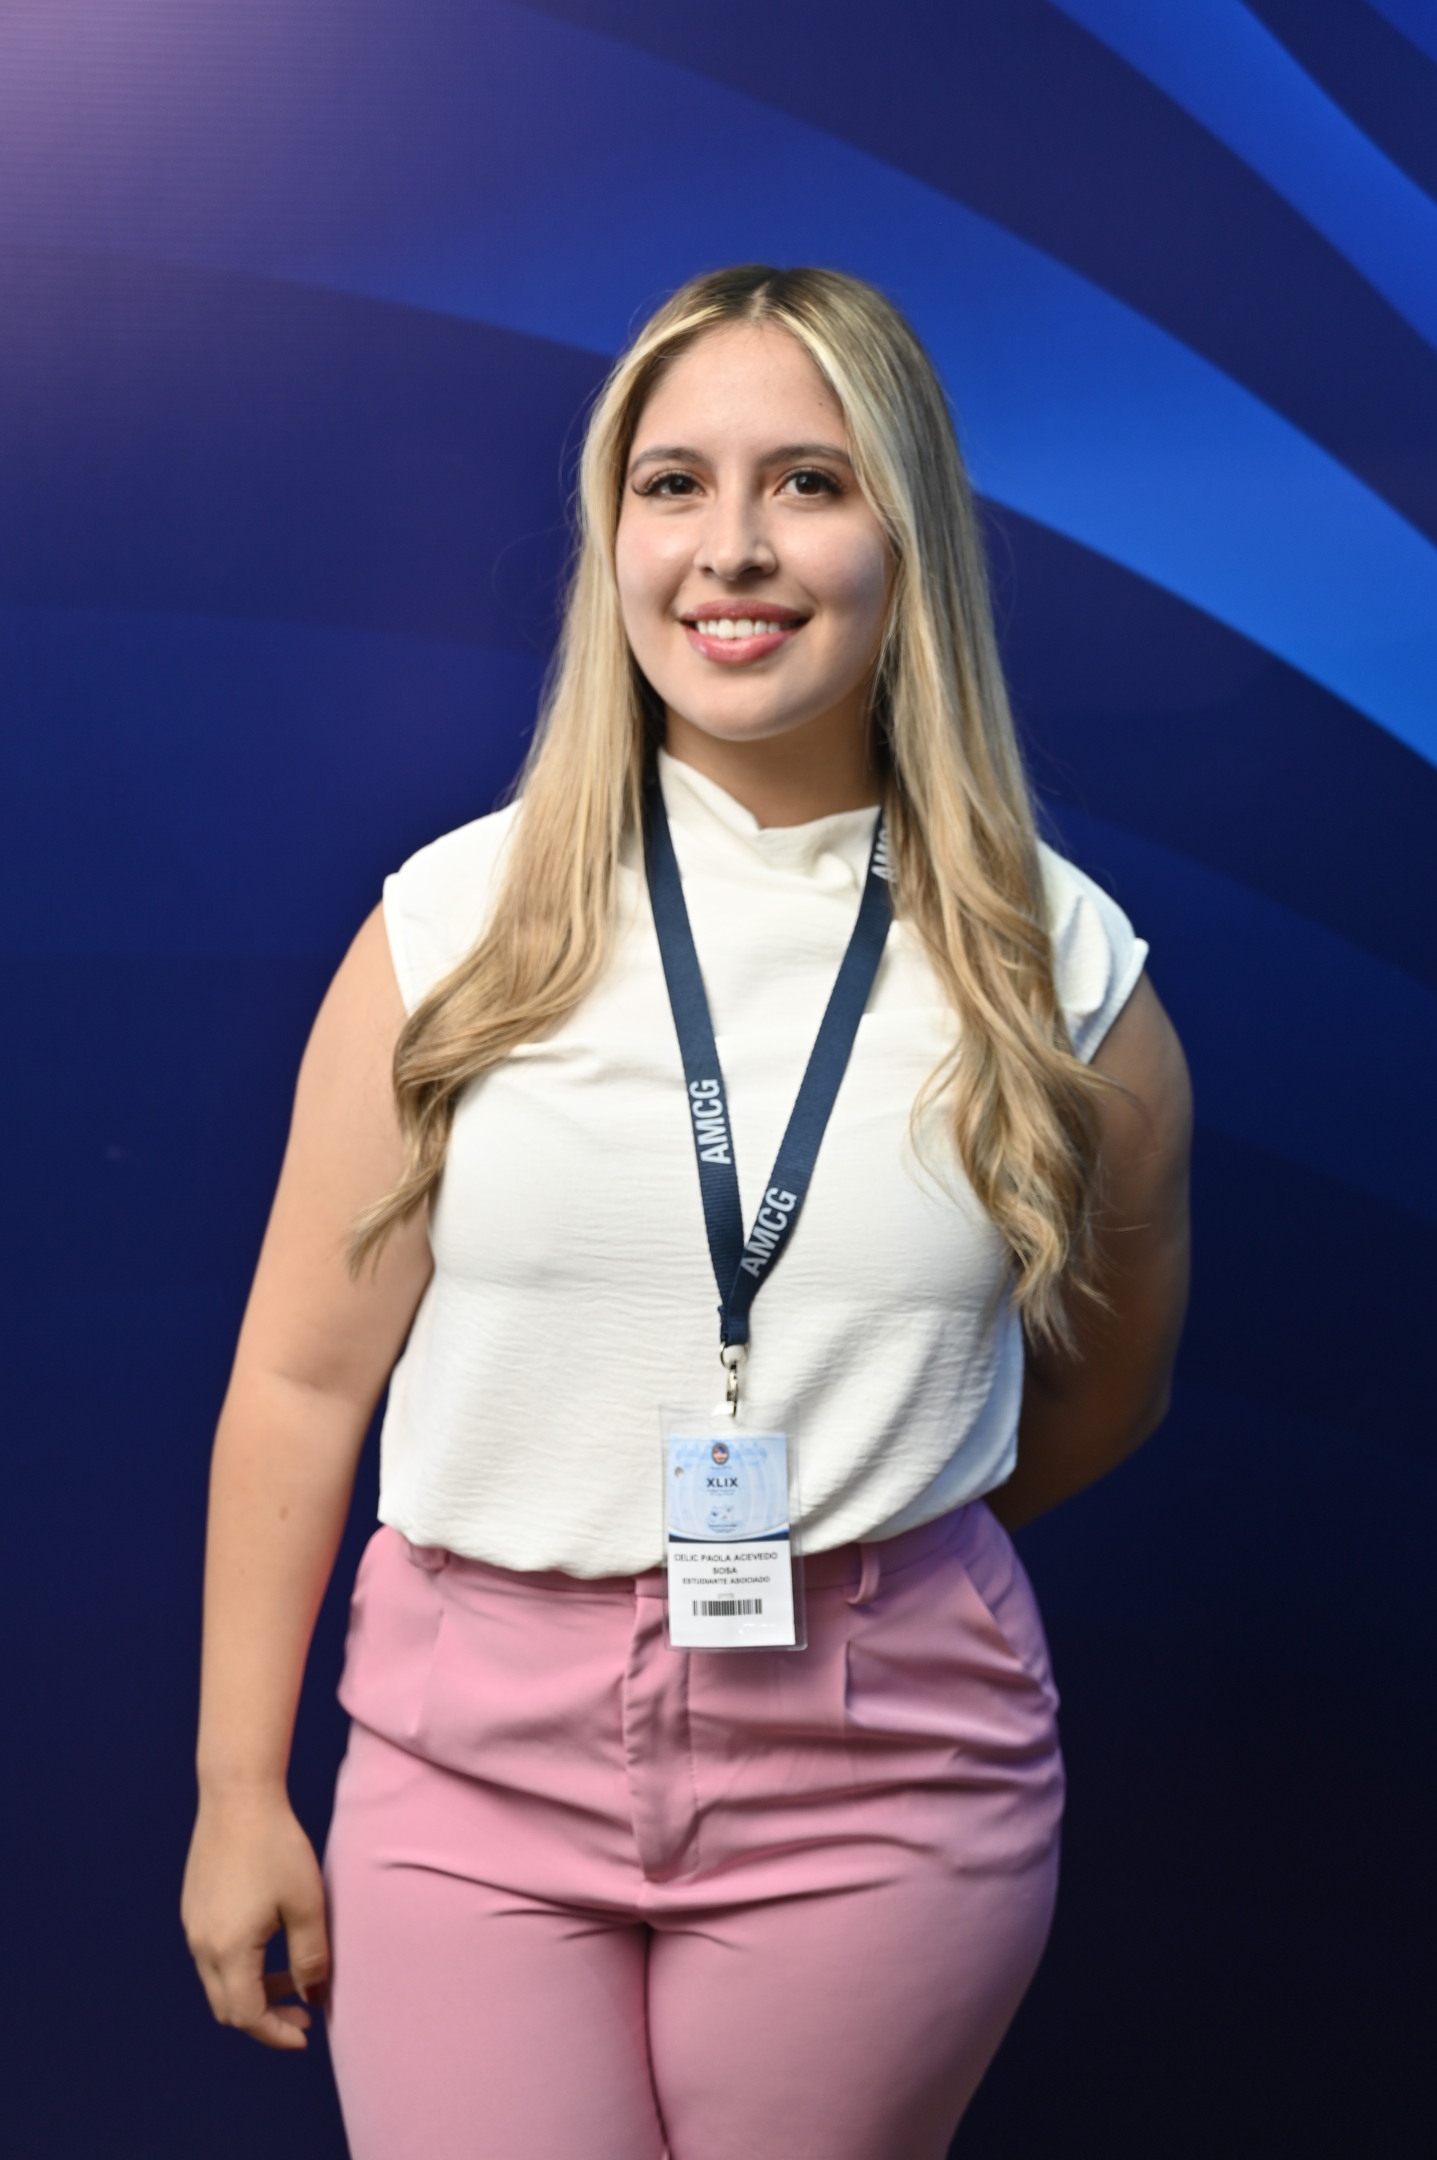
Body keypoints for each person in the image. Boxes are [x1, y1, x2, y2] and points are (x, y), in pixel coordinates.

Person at [181, 263, 1191, 2160]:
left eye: (807, 481)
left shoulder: (1063, 972)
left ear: (907, 536)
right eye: (673, 486)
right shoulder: (450, 930)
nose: (732, 548)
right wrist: (240, 1788)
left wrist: (858, 1563)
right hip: (468, 1766)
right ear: (614, 538)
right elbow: (301, 1387)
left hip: (886, 1773)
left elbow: (1107, 1390)